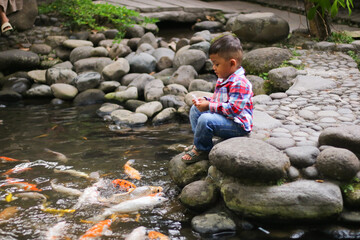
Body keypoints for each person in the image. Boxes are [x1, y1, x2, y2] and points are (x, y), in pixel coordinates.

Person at [182, 34, 253, 163]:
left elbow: (233, 110)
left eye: (217, 64)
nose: (213, 68)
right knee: (195, 110)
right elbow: (218, 101)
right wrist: (205, 101)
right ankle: (199, 142)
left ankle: (203, 149)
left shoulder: (239, 83)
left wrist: (209, 106)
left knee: (205, 119)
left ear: (232, 63)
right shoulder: (224, 78)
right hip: (226, 118)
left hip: (238, 125)